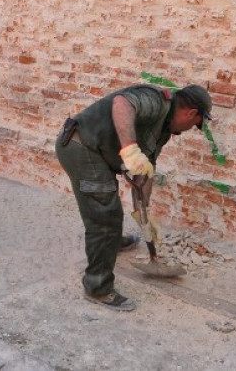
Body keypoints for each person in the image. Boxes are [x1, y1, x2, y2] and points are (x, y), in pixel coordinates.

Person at [55, 84, 213, 311]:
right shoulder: (157, 100)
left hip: (99, 151)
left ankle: (113, 243)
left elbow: (145, 171)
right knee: (105, 215)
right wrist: (130, 150)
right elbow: (122, 103)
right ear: (190, 113)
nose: (191, 128)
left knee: (107, 202)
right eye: (195, 124)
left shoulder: (164, 130)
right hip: (82, 146)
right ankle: (98, 288)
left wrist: (143, 213)